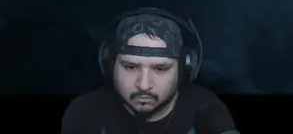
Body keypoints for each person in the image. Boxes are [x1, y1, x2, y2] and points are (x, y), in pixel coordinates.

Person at [60, 8, 238, 134]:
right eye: (130, 67)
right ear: (109, 64)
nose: (144, 85)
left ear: (185, 67)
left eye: (160, 68)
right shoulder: (84, 112)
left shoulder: (208, 114)